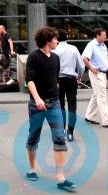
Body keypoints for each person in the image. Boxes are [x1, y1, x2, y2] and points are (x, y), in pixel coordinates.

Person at [24, 26, 75, 193]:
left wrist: (56, 95)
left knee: (59, 139)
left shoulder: (56, 57)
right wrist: (37, 98)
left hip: (54, 103)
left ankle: (61, 177)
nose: (57, 41)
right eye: (55, 39)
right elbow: (29, 80)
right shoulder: (33, 57)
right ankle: (32, 169)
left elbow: (56, 79)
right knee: (33, 137)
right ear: (47, 40)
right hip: (36, 104)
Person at [52, 29, 85, 142]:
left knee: (60, 105)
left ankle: (62, 129)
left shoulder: (54, 50)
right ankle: (70, 131)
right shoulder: (73, 48)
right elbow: (81, 66)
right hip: (71, 79)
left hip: (58, 80)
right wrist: (79, 76)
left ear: (57, 38)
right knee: (72, 105)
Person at [82, 27, 108, 128]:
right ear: (97, 35)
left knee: (97, 95)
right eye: (104, 35)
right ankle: (107, 121)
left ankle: (89, 116)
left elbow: (106, 57)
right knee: (102, 96)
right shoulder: (91, 45)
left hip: (103, 73)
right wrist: (92, 69)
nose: (106, 36)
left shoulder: (103, 45)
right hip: (96, 74)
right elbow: (84, 57)